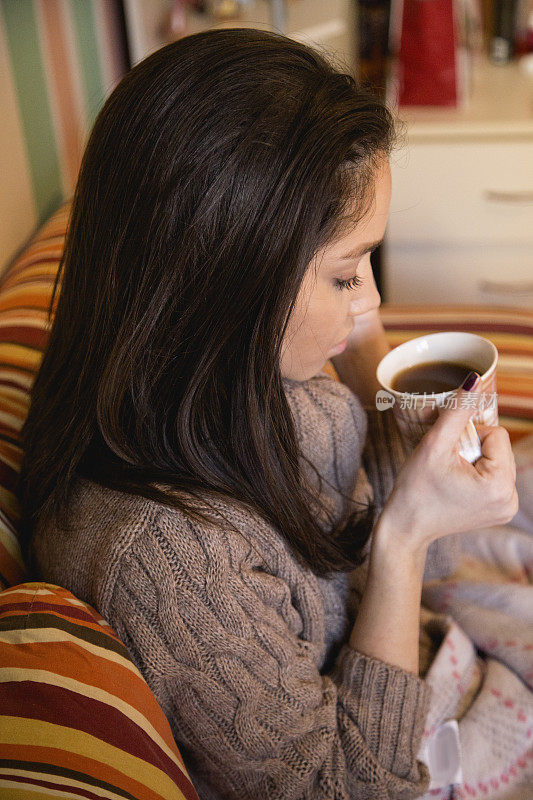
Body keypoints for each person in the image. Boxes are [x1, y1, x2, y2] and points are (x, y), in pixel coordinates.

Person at [16, 28, 520, 800]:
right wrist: (407, 535)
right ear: (226, 281)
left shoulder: (254, 390)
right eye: (348, 273)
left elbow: (397, 550)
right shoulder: (167, 561)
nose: (374, 301)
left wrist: (368, 358)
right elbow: (343, 785)